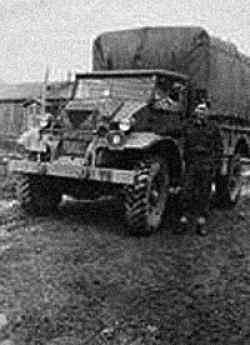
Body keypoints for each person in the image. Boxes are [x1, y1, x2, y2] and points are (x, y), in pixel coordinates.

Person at [178, 100, 223, 236]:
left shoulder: (213, 127)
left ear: (208, 112)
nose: (200, 112)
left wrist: (214, 164)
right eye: (198, 109)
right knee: (186, 191)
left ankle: (201, 222)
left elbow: (219, 147)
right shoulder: (188, 125)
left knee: (204, 193)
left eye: (203, 109)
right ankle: (184, 220)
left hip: (206, 163)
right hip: (191, 162)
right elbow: (175, 132)